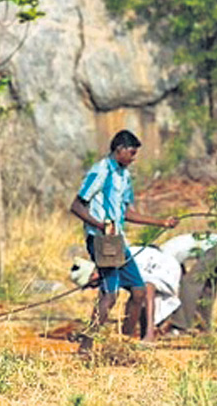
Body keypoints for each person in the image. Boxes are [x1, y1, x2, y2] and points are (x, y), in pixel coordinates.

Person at [68, 130, 177, 345]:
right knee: (110, 295)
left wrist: (161, 222)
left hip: (118, 240)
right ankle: (86, 346)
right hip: (101, 240)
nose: (133, 158)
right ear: (119, 150)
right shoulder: (101, 171)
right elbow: (76, 205)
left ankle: (124, 342)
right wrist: (100, 226)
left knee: (138, 291)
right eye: (131, 153)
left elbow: (127, 212)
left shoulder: (124, 176)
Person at [69, 231, 217, 338]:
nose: (93, 288)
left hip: (213, 246)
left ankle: (180, 327)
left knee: (189, 284)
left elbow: (150, 287)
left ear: (93, 275)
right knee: (206, 289)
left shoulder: (162, 254)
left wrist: (150, 331)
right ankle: (203, 327)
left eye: (91, 285)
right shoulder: (156, 256)